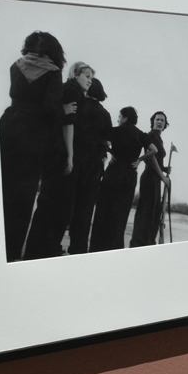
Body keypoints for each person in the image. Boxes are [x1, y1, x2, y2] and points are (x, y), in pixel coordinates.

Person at [0, 31, 67, 261]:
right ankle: (13, 253)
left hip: (8, 127)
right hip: (33, 136)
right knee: (23, 197)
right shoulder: (53, 72)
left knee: (3, 192)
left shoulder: (15, 66)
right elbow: (51, 110)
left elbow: (16, 97)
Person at [22, 62, 95, 259]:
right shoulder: (73, 91)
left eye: (91, 77)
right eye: (86, 75)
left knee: (52, 205)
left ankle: (40, 249)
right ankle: (42, 250)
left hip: (57, 155)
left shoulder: (70, 91)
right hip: (63, 156)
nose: (90, 80)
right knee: (57, 206)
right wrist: (70, 155)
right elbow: (68, 124)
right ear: (75, 74)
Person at [89, 107, 157, 252]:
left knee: (103, 211)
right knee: (120, 215)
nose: (118, 119)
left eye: (120, 116)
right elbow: (154, 150)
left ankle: (97, 247)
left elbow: (99, 138)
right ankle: (114, 248)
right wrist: (139, 159)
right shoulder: (140, 134)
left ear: (125, 117)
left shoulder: (116, 131)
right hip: (129, 176)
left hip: (113, 173)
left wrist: (111, 152)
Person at [66, 74, 113, 255]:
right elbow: (107, 142)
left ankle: (54, 244)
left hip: (75, 162)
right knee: (85, 209)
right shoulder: (105, 114)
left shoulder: (80, 107)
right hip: (93, 167)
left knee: (68, 203)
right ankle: (78, 248)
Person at [129, 111, 175, 248]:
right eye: (157, 119)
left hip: (156, 179)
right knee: (146, 213)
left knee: (154, 214)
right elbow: (150, 158)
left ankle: (149, 243)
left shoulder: (159, 138)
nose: (160, 122)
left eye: (162, 120)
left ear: (165, 124)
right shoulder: (150, 136)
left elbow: (158, 162)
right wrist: (163, 176)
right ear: (152, 121)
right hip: (149, 178)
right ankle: (138, 244)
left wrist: (164, 169)